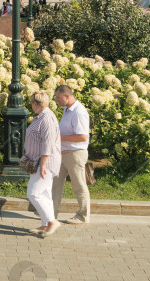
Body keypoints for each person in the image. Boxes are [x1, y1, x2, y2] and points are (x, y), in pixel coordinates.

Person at [25, 91, 62, 237]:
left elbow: (48, 143)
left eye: (31, 103)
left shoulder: (46, 118)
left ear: (35, 103)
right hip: (41, 161)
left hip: (45, 161)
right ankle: (45, 224)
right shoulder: (43, 116)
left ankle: (52, 221)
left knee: (33, 193)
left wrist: (43, 164)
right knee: (45, 193)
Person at [52, 85, 91, 225]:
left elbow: (82, 137)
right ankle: (51, 214)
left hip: (75, 154)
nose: (57, 100)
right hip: (63, 153)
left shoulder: (79, 112)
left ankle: (83, 215)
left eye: (58, 97)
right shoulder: (67, 109)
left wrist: (60, 137)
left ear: (67, 96)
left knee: (79, 185)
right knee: (55, 183)